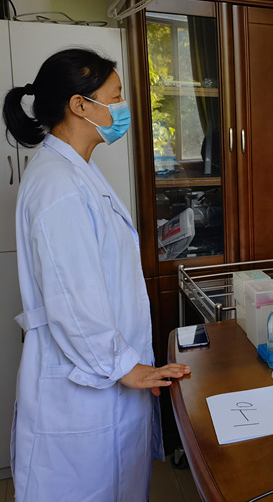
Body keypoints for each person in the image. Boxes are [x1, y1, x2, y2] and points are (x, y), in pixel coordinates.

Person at [3, 49, 191, 501]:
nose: (123, 107)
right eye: (116, 96)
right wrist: (124, 366)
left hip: (100, 374)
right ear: (80, 105)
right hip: (83, 387)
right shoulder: (58, 185)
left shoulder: (76, 170)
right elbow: (73, 299)